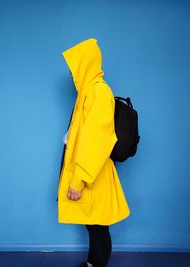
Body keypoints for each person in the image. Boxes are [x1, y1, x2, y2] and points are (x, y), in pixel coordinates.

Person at [57, 38, 130, 267]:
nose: (71, 73)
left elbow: (96, 140)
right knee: (93, 224)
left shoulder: (99, 92)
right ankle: (91, 264)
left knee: (99, 227)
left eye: (74, 67)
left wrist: (78, 180)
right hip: (91, 172)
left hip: (93, 174)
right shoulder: (88, 92)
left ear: (86, 64)